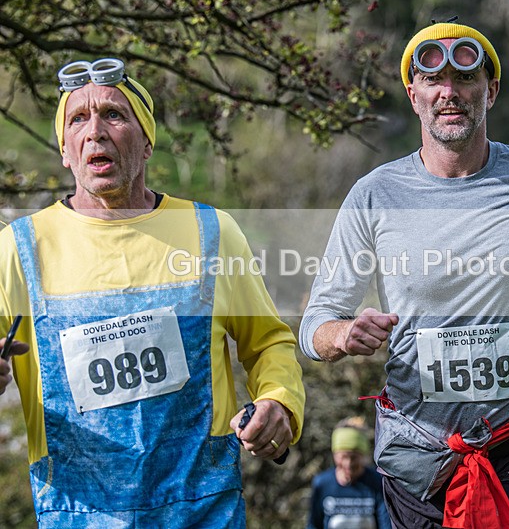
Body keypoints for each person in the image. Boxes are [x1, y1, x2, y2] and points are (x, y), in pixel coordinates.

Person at [299, 20, 509, 529]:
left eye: (466, 78)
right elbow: (314, 325)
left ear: (491, 91)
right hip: (419, 456)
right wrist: (344, 334)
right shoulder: (374, 195)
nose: (449, 93)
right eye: (433, 81)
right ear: (413, 95)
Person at [0, 58, 305, 527]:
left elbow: (268, 342)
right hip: (77, 515)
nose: (95, 131)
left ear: (147, 143)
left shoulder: (211, 232)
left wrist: (278, 401)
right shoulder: (18, 249)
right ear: (65, 149)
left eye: (114, 115)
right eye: (78, 119)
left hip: (203, 509)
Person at [307, 417, 391, 529]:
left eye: (354, 457)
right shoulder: (322, 484)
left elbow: (386, 524)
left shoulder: (377, 482)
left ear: (363, 456)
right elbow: (313, 524)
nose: (348, 463)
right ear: (334, 455)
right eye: (343, 457)